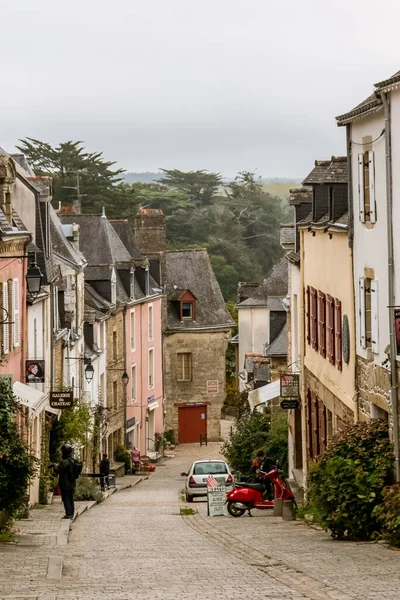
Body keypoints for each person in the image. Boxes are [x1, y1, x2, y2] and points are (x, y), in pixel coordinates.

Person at [49, 444, 76, 519]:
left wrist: (54, 466)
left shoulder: (65, 461)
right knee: (70, 497)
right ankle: (71, 512)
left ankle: (68, 514)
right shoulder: (72, 461)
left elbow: (58, 470)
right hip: (71, 482)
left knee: (66, 498)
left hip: (65, 483)